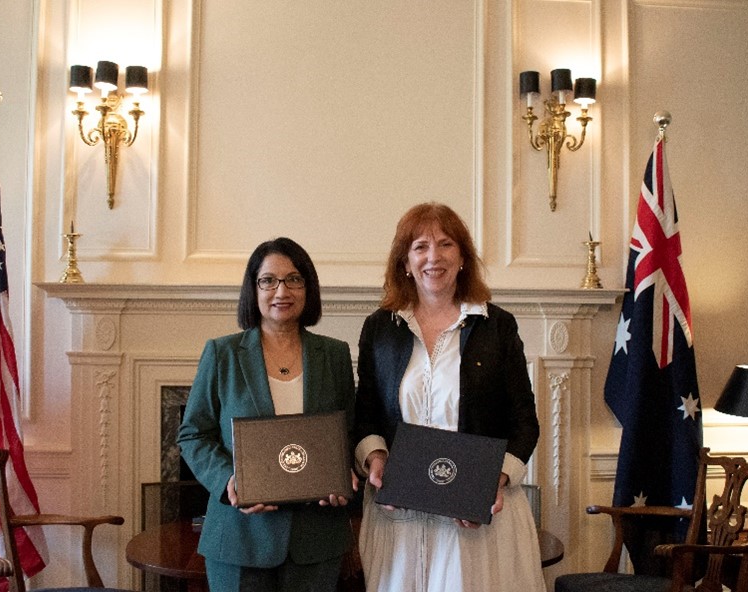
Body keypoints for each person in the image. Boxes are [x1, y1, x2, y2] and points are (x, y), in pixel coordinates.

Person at [354, 202, 546, 592]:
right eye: (420, 246)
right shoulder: (380, 328)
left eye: (445, 244)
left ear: (462, 257)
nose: (433, 257)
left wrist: (495, 479)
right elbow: (366, 413)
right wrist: (375, 459)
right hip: (400, 521)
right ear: (405, 262)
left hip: (476, 521)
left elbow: (525, 423)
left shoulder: (498, 327)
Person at [178, 237, 356, 592]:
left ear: (308, 287)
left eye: (293, 279)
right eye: (268, 280)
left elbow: (345, 432)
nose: (281, 291)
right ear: (253, 288)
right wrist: (227, 480)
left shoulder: (334, 355)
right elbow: (193, 434)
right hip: (239, 539)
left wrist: (342, 474)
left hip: (316, 538)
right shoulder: (222, 353)